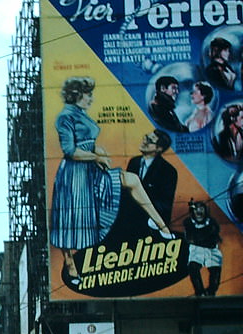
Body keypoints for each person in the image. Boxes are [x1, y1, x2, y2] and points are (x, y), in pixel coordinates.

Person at [50, 77, 176, 286]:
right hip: (74, 175)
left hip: (90, 169)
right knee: (72, 219)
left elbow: (87, 143)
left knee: (132, 181)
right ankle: (70, 264)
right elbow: (70, 151)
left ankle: (163, 226)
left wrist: (98, 151)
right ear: (77, 95)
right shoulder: (65, 117)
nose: (91, 98)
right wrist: (96, 157)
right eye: (88, 94)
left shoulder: (80, 114)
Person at [120, 129, 178, 240]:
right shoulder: (134, 162)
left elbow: (164, 205)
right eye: (146, 137)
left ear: (159, 149)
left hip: (149, 225)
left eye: (150, 140)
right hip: (127, 221)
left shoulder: (168, 171)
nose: (144, 141)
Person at [183, 200, 222, 296]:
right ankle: (199, 292)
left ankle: (210, 292)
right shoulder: (188, 222)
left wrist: (200, 237)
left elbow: (214, 234)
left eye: (201, 209)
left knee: (215, 275)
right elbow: (190, 238)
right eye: (196, 209)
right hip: (197, 250)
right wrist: (204, 237)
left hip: (212, 250)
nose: (198, 212)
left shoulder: (212, 222)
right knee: (193, 268)